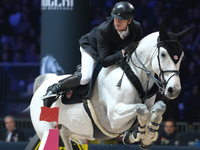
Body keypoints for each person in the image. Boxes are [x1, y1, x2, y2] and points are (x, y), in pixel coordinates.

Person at [42, 1, 143, 107]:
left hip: (111, 52)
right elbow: (104, 61)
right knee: (86, 77)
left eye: (121, 20)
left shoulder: (136, 28)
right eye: (115, 18)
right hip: (91, 48)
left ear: (129, 21)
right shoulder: (104, 30)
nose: (117, 22)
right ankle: (55, 88)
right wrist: (123, 52)